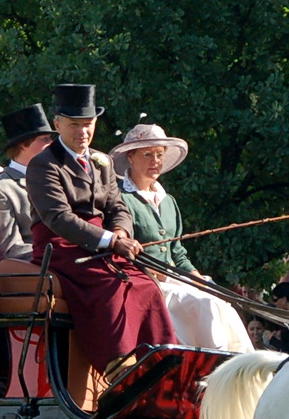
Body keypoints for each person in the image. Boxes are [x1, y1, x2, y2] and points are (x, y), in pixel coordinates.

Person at [26, 84, 177, 378]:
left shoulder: (102, 161)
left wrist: (120, 233)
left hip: (104, 245)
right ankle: (117, 362)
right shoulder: (43, 165)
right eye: (75, 125)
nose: (83, 132)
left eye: (88, 125)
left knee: (145, 284)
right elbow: (58, 217)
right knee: (111, 285)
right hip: (62, 248)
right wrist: (109, 241)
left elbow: (117, 207)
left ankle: (158, 357)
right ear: (57, 124)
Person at [112, 121, 252, 352]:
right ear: (130, 157)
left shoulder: (169, 202)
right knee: (204, 304)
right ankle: (212, 361)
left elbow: (177, 252)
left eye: (159, 155)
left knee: (220, 300)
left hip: (174, 278)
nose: (155, 161)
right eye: (147, 154)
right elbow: (123, 250)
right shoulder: (121, 199)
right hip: (146, 284)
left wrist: (197, 278)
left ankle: (238, 361)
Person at [0, 104, 55, 263]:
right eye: (45, 139)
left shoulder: (59, 179)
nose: (52, 144)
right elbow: (9, 249)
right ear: (24, 144)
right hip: (40, 270)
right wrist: (59, 255)